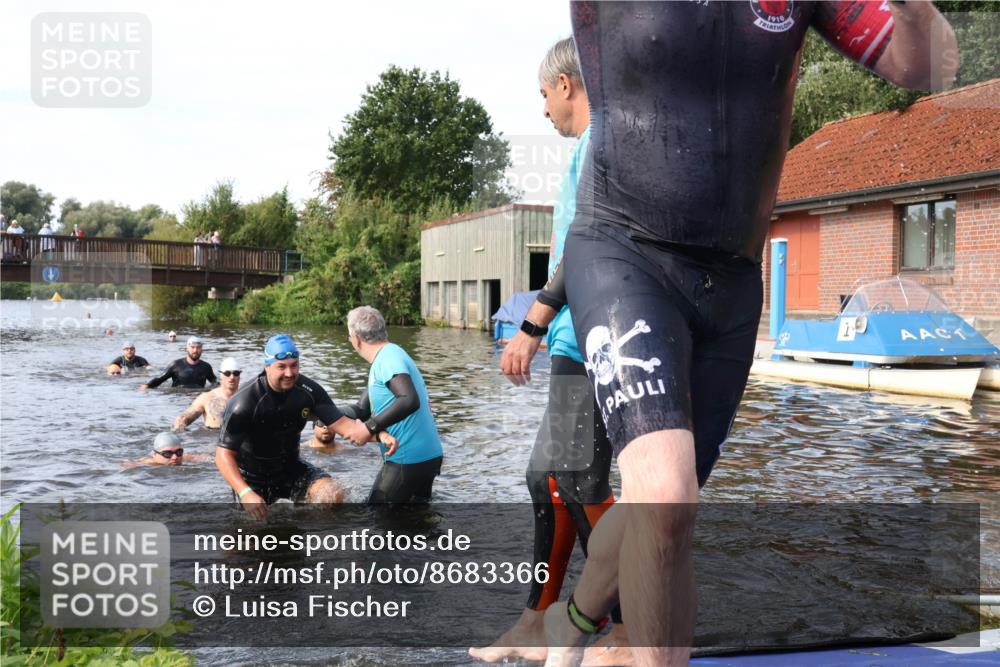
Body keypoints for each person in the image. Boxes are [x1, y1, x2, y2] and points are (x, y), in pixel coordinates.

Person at [526, 4, 959, 666]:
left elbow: (931, 66)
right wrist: (533, 322)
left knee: (658, 504)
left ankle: (573, 619)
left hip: (725, 284)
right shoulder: (587, 126)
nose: (544, 109)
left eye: (546, 96)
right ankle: (551, 616)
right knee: (622, 489)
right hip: (616, 267)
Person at [472, 36, 626, 666]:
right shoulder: (587, 150)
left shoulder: (602, 143)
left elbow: (587, 242)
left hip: (591, 336)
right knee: (549, 478)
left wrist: (533, 321)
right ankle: (536, 622)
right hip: (572, 335)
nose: (543, 110)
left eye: (543, 94)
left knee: (579, 478)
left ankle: (625, 624)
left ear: (567, 84)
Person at [216, 334, 395, 520]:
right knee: (251, 530)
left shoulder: (308, 391)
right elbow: (223, 456)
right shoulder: (244, 402)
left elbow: (344, 426)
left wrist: (379, 434)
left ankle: (310, 531)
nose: (289, 373)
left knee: (332, 495)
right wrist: (245, 492)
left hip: (290, 469)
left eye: (294, 365)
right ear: (266, 366)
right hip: (252, 478)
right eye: (281, 367)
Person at [342, 306, 443, 504]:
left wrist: (369, 427)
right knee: (415, 519)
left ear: (356, 338)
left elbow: (409, 399)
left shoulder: (387, 359)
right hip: (427, 456)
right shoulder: (390, 355)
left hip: (407, 459)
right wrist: (324, 414)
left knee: (375, 516)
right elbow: (361, 409)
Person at [173, 357, 242, 429]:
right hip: (213, 435)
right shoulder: (207, 398)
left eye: (236, 373)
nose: (232, 377)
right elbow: (188, 414)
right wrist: (181, 420)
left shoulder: (246, 397)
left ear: (239, 376)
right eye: (227, 373)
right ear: (221, 376)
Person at [140, 336, 216, 390]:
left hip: (198, 398)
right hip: (179, 399)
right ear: (187, 349)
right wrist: (147, 386)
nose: (195, 350)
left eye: (198, 347)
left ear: (201, 349)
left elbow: (215, 383)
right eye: (192, 347)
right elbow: (160, 379)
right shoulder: (176, 365)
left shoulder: (206, 367)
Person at [122, 432, 211, 468]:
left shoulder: (185, 457)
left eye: (179, 452)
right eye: (168, 454)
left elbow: (210, 458)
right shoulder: (147, 463)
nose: (175, 457)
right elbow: (125, 464)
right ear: (155, 454)